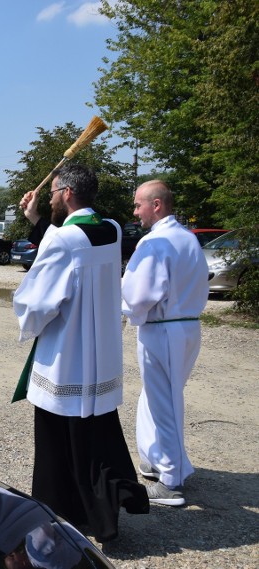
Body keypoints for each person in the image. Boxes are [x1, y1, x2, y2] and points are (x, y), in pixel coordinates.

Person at [12, 163, 148, 542]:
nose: (52, 197)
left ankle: (59, 510)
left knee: (59, 438)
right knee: (94, 433)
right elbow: (72, 248)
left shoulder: (63, 239)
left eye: (54, 192)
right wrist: (37, 218)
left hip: (68, 354)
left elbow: (38, 300)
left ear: (68, 193)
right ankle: (101, 513)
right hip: (100, 355)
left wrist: (23, 312)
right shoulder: (113, 230)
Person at [121, 180, 209, 507]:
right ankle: (155, 457)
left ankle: (171, 480)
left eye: (138, 204)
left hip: (163, 328)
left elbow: (140, 294)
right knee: (157, 397)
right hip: (186, 327)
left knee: (165, 403)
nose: (134, 211)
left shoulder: (155, 242)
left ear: (156, 205)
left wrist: (121, 307)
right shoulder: (188, 239)